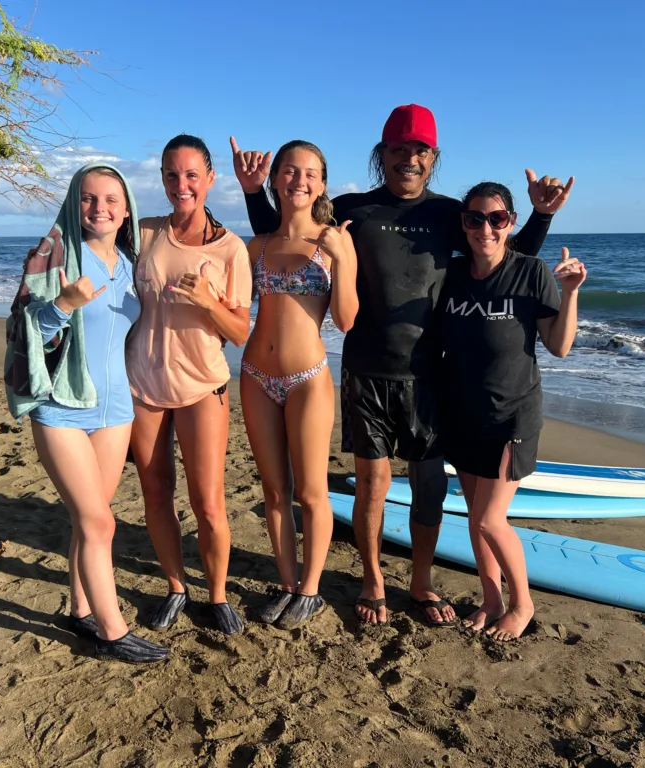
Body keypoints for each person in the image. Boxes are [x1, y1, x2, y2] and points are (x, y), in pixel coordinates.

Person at [233, 104, 573, 626]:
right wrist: (255, 191)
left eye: (420, 151)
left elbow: (499, 254)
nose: (409, 159)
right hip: (366, 368)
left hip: (431, 371)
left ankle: (419, 582)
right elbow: (286, 233)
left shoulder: (449, 215)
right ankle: (372, 581)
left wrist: (542, 218)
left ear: (432, 158)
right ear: (382, 154)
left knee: (430, 485)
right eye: (398, 149)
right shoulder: (352, 209)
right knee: (371, 484)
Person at [4, 162, 169, 663]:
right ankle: (112, 630)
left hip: (116, 408)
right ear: (74, 203)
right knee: (100, 523)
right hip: (61, 406)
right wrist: (62, 306)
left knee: (88, 519)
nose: (100, 209)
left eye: (111, 200)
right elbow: (24, 332)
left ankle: (79, 609)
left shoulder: (129, 263)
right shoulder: (53, 258)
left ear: (126, 210)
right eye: (89, 198)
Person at [439, 181, 585, 640]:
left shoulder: (530, 271)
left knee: (489, 519)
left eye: (496, 219)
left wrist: (572, 292)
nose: (486, 228)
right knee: (473, 517)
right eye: (475, 218)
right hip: (463, 413)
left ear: (510, 223)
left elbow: (559, 346)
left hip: (513, 416)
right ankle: (491, 599)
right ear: (463, 224)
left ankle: (522, 604)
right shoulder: (453, 275)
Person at [126, 135, 252, 635]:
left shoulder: (229, 248)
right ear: (161, 179)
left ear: (209, 178)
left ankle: (217, 595)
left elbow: (240, 332)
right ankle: (176, 587)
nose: (182, 185)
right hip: (143, 382)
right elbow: (90, 250)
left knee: (208, 501)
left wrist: (208, 302)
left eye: (192, 175)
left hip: (203, 386)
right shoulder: (143, 232)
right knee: (155, 495)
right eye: (172, 176)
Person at [237, 139, 358, 629]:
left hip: (308, 378)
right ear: (275, 180)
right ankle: (288, 584)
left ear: (322, 183)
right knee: (273, 490)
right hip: (254, 375)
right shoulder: (257, 245)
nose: (299, 180)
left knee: (310, 492)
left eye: (309, 173)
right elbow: (230, 308)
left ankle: (311, 590)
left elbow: (347, 321)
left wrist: (343, 260)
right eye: (289, 171)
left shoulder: (336, 240)